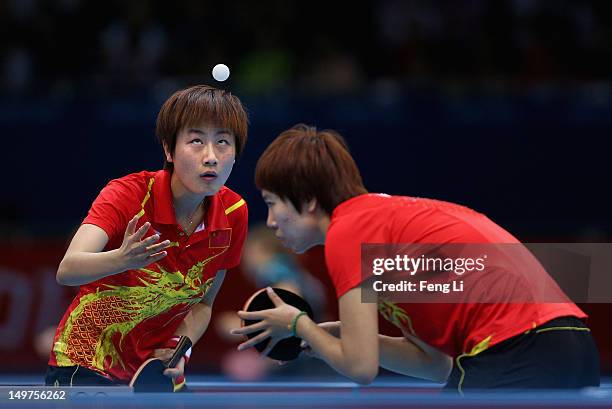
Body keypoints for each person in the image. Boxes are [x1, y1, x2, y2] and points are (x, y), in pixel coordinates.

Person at [231, 123, 599, 392]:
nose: (272, 222)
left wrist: (299, 325)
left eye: (272, 203)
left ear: (308, 199)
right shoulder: (384, 227)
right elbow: (434, 364)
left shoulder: (348, 230)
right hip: (570, 344)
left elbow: (361, 369)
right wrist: (329, 338)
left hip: (518, 350)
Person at [46, 85, 249, 391]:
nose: (211, 157)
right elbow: (68, 269)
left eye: (222, 142)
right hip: (86, 365)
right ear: (169, 150)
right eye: (196, 141)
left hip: (152, 370)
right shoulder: (127, 194)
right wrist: (122, 259)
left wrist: (181, 348)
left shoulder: (234, 212)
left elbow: (204, 305)